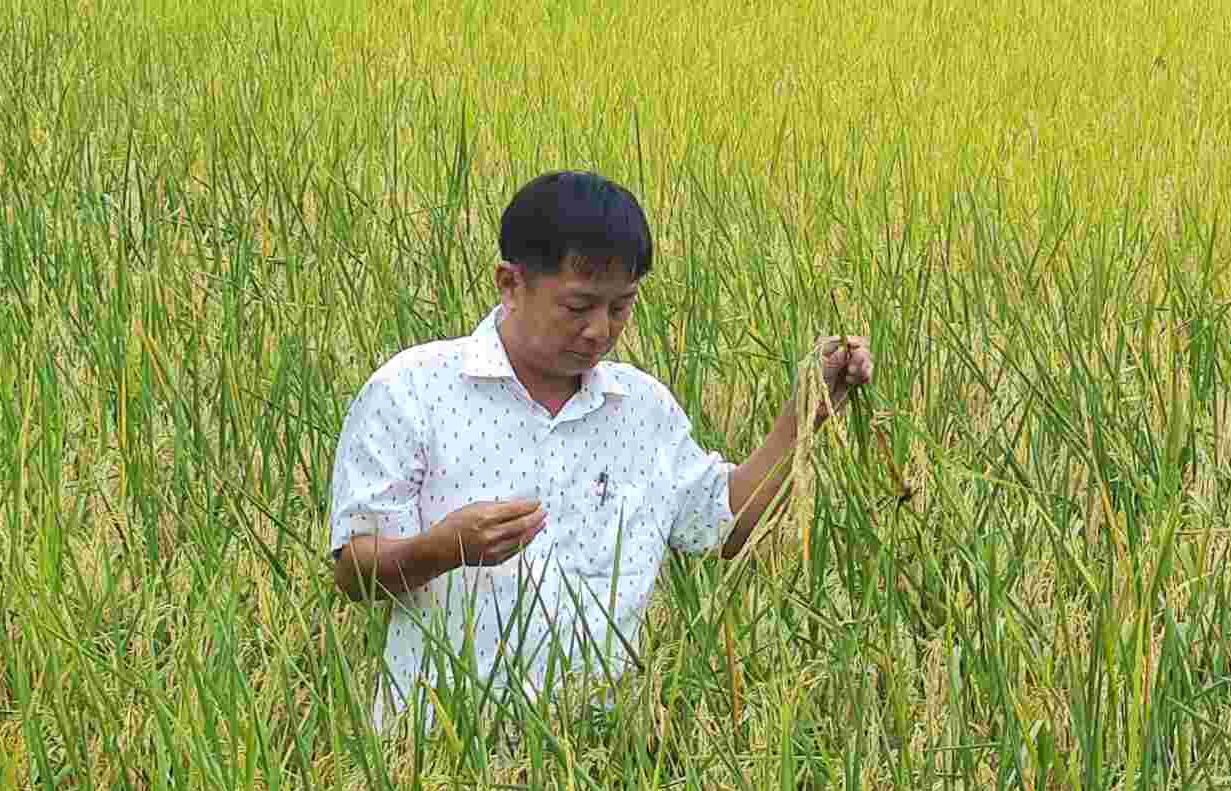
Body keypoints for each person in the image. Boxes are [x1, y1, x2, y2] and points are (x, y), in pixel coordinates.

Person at [326, 170, 872, 731]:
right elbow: (354, 572)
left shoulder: (640, 409)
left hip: (602, 761)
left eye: (620, 307)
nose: (599, 330)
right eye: (578, 306)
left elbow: (728, 527)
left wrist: (805, 412)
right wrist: (444, 548)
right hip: (442, 750)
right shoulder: (412, 392)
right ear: (510, 283)